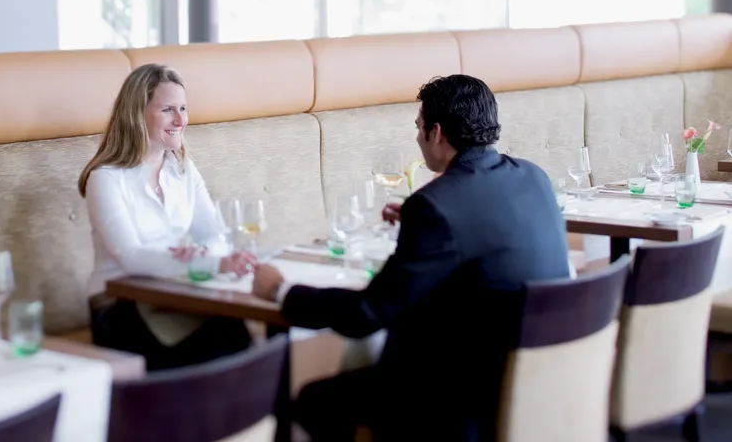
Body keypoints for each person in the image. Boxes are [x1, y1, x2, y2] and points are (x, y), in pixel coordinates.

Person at [252, 74, 571, 441]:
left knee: (315, 401)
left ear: (436, 132)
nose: (418, 137)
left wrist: (282, 291)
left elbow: (368, 314)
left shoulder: (436, 207)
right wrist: (422, 219)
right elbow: (487, 226)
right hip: (534, 378)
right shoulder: (533, 176)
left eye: (419, 127)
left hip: (457, 399)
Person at [80, 63, 258, 371]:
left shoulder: (183, 168)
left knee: (234, 332)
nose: (181, 120)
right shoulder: (106, 178)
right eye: (168, 110)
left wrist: (204, 254)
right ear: (137, 113)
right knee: (220, 341)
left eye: (183, 108)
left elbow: (215, 235)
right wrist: (204, 263)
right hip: (120, 305)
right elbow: (131, 257)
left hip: (175, 292)